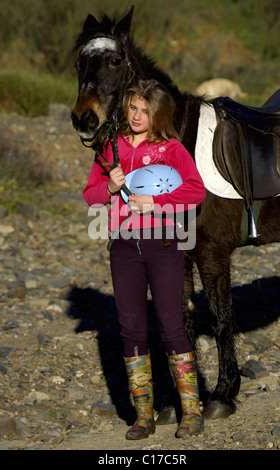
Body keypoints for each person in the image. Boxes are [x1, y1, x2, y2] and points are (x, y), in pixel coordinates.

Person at [83, 79, 206, 440]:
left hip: (164, 244)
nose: (137, 116)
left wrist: (156, 203)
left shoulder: (170, 149)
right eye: (133, 108)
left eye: (145, 111)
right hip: (123, 246)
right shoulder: (110, 147)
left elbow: (195, 189)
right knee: (131, 328)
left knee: (171, 325)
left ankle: (192, 413)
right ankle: (143, 416)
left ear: (158, 115)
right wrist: (108, 186)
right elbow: (91, 197)